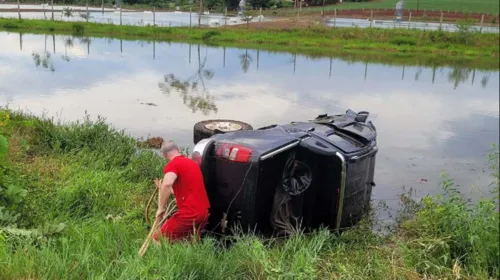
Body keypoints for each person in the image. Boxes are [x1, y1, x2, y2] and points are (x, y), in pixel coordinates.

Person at [152, 140, 210, 242]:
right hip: (203, 212)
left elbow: (167, 183)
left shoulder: (173, 164)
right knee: (187, 241)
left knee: (158, 239)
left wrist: (161, 208)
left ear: (164, 155)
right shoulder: (192, 163)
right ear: (178, 149)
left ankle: (160, 258)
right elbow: (184, 190)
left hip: (189, 214)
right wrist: (164, 189)